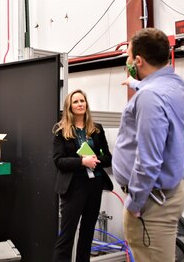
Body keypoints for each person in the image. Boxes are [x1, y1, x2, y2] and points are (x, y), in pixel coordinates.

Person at [112, 28, 184, 262]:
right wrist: (136, 83)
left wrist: (135, 204)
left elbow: (147, 161)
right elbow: (156, 94)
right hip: (167, 193)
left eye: (128, 57)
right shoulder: (175, 85)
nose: (127, 61)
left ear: (138, 60)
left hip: (149, 204)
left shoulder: (150, 98)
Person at [52, 89, 113, 262]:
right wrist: (82, 162)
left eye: (82, 101)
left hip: (94, 185)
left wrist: (95, 159)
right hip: (73, 187)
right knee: (67, 235)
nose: (80, 104)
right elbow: (58, 161)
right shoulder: (60, 130)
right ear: (69, 107)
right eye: (76, 102)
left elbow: (108, 157)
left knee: (87, 234)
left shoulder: (97, 129)